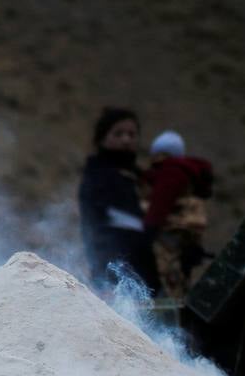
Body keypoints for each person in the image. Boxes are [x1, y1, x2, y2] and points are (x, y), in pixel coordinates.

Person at [78, 107, 158, 293]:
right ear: (102, 138)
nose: (126, 139)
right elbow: (96, 227)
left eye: (132, 134)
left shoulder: (138, 178)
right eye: (118, 133)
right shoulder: (98, 176)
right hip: (114, 272)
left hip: (146, 272)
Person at [142, 130, 215, 300]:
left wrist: (148, 228)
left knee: (169, 278)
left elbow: (160, 203)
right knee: (181, 278)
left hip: (169, 237)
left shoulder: (171, 173)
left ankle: (172, 315)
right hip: (185, 235)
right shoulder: (188, 173)